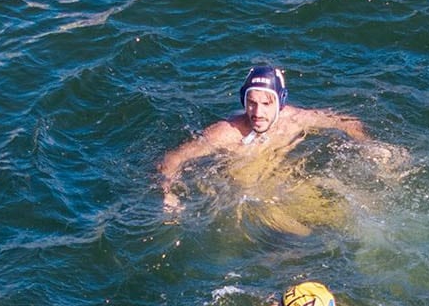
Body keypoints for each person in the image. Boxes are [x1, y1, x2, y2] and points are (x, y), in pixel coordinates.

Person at [156, 62, 377, 218]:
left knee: (352, 211)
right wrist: (169, 192)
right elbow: (173, 158)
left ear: (280, 102)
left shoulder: (295, 120)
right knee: (298, 237)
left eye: (266, 104)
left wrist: (370, 146)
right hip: (247, 199)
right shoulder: (227, 132)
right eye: (251, 103)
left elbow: (346, 122)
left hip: (285, 183)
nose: (258, 112)